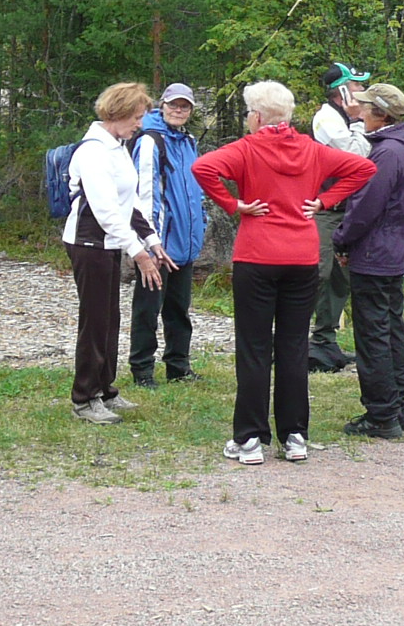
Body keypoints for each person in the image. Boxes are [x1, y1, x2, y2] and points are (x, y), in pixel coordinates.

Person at [194, 81, 375, 465]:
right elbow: (363, 167)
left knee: (254, 347)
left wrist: (234, 205)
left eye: (248, 114)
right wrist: (326, 200)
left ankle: (249, 441)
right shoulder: (311, 149)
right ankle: (295, 437)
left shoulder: (247, 148)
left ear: (257, 117)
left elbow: (203, 167)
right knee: (293, 347)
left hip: (257, 255)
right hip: (302, 257)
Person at [63, 82, 171, 423]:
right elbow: (107, 211)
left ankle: (105, 388)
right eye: (136, 117)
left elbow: (131, 202)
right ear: (119, 113)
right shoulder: (93, 151)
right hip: (89, 244)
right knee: (94, 321)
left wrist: (152, 240)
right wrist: (138, 254)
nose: (139, 124)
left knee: (110, 319)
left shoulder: (118, 146)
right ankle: (84, 397)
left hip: (110, 243)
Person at [335, 83, 404, 439]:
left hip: (375, 252)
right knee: (390, 327)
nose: (359, 109)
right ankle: (399, 406)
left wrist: (342, 239)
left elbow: (366, 208)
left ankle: (382, 413)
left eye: (366, 106)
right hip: (393, 249)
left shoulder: (387, 153)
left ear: (381, 114)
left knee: (373, 333)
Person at [129, 82, 207, 388]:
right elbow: (145, 194)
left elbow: (195, 188)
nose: (178, 110)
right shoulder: (151, 141)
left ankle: (178, 365)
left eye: (184, 106)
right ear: (162, 105)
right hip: (158, 244)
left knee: (179, 309)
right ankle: (142, 370)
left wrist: (201, 221)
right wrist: (150, 243)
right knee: (148, 309)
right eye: (173, 105)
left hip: (184, 244)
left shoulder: (187, 141)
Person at [309, 62, 372, 372]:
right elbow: (355, 156)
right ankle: (291, 339)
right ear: (343, 90)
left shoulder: (345, 119)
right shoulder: (326, 118)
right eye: (358, 86)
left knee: (340, 278)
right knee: (316, 273)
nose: (364, 91)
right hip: (325, 210)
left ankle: (324, 340)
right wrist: (359, 120)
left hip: (347, 209)